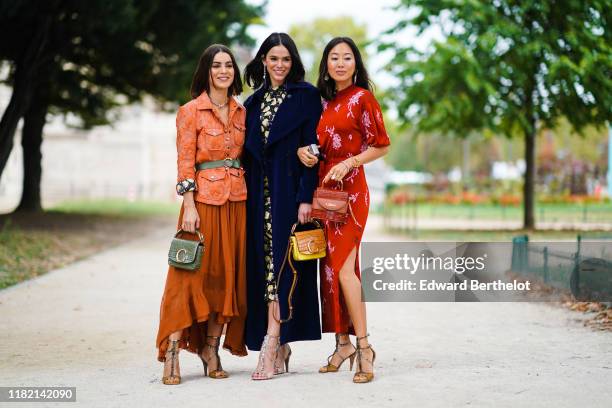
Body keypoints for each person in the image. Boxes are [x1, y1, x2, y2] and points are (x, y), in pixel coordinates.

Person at [298, 37, 390, 383]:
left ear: (355, 63)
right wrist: (304, 153)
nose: (339, 63)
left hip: (351, 194)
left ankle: (364, 347)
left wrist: (350, 162)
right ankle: (342, 344)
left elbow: (381, 145)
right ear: (326, 64)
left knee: (346, 270)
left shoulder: (362, 98)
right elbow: (319, 145)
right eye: (333, 58)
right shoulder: (324, 103)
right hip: (325, 191)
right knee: (329, 271)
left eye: (346, 57)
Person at [156, 44, 248, 385]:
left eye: (228, 65)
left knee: (226, 279)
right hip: (203, 205)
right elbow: (184, 163)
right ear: (206, 71)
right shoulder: (190, 111)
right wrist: (189, 205)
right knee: (188, 278)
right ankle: (173, 352)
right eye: (216, 65)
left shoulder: (242, 111)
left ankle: (211, 349)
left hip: (237, 202)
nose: (223, 70)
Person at [243, 33, 322, 380]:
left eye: (285, 59)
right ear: (263, 60)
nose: (279, 65)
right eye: (273, 58)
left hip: (288, 194)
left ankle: (273, 340)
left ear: (293, 63)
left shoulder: (305, 97)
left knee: (283, 267)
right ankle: (281, 343)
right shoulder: (251, 103)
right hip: (257, 199)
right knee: (263, 270)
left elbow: (313, 149)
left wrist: (306, 196)